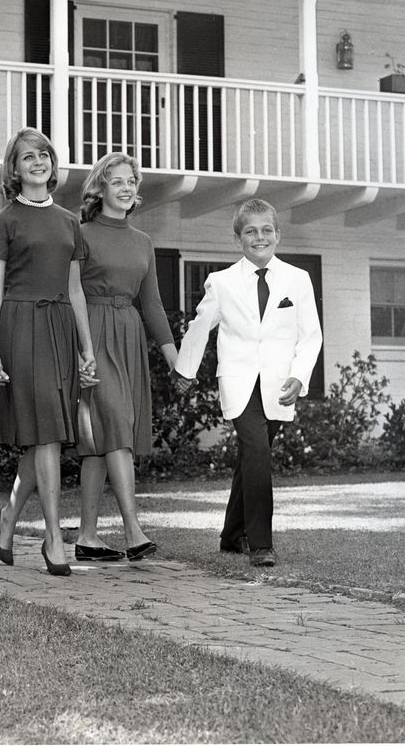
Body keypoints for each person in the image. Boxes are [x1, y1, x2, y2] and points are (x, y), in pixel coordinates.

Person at [172, 198, 322, 567]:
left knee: (251, 458)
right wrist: (184, 371)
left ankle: (230, 534)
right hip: (239, 383)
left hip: (279, 386)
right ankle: (260, 544)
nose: (260, 238)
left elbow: (311, 337)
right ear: (238, 238)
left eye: (267, 230)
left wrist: (299, 377)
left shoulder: (297, 280)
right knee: (258, 453)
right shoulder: (221, 282)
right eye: (251, 231)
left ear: (278, 235)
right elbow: (199, 328)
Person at [0, 127, 96, 576]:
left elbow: (76, 289)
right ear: (14, 168)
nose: (37, 161)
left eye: (44, 154)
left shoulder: (69, 222)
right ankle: (52, 536)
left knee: (43, 433)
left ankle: (8, 517)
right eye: (27, 156)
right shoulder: (3, 221)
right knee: (45, 432)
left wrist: (87, 348)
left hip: (59, 327)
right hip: (19, 327)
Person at [74, 153, 179, 563]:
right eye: (116, 181)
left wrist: (174, 359)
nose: (125, 187)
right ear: (99, 188)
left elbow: (152, 304)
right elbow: (72, 292)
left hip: (130, 334)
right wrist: (81, 348)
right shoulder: (79, 233)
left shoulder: (143, 242)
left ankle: (86, 537)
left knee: (101, 441)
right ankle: (133, 530)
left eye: (131, 181)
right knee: (115, 423)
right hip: (92, 332)